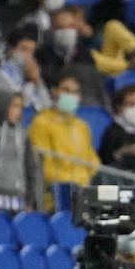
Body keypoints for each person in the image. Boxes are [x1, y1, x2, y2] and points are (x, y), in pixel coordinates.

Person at [28, 71, 99, 202]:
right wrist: (71, 181)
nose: (71, 96)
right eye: (66, 90)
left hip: (83, 192)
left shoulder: (82, 126)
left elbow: (92, 161)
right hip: (54, 197)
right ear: (54, 92)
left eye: (75, 92)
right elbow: (42, 165)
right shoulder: (41, 122)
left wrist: (82, 181)